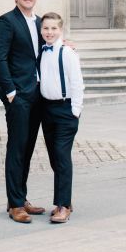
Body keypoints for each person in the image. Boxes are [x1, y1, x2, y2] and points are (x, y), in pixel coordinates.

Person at [0, 0, 45, 223]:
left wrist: (66, 44)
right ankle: (14, 205)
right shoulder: (6, 21)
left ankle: (21, 198)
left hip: (38, 94)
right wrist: (10, 92)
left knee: (28, 148)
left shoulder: (41, 23)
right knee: (16, 148)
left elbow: (48, 48)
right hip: (18, 96)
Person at [38, 12, 84, 224]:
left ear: (61, 30)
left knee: (62, 157)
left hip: (65, 110)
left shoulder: (67, 53)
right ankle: (66, 199)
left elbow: (77, 83)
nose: (49, 32)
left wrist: (75, 111)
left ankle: (63, 206)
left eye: (53, 28)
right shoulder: (42, 51)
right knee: (55, 158)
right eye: (46, 28)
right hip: (47, 109)